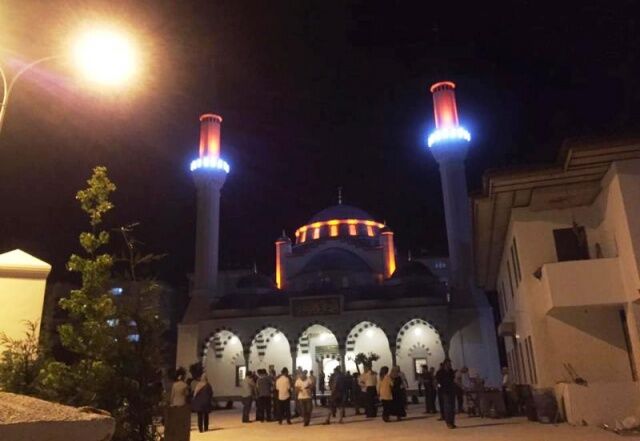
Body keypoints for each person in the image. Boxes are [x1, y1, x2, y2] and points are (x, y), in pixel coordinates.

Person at [166, 368, 191, 441]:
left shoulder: (174, 385)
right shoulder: (185, 385)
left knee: (175, 419)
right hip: (182, 403)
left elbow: (172, 395)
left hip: (175, 404)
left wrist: (171, 402)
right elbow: (187, 394)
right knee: (181, 419)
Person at [436, 359, 457, 429]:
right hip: (445, 391)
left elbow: (453, 380)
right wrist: (440, 388)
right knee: (448, 407)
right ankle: (448, 422)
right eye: (448, 364)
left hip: (452, 390)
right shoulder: (440, 372)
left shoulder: (451, 371)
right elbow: (437, 382)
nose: (450, 365)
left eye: (450, 364)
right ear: (445, 364)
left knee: (452, 407)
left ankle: (452, 422)